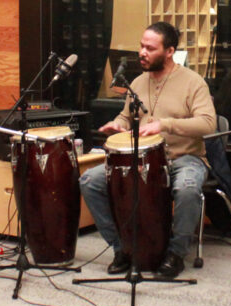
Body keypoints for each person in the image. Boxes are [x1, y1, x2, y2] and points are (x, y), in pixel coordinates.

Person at [80, 21, 217, 278]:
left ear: (169, 52)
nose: (142, 52)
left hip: (184, 158)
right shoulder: (138, 82)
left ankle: (175, 254)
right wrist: (117, 124)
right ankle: (122, 249)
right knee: (90, 181)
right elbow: (126, 116)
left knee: (187, 189)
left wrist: (165, 125)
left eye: (150, 48)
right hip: (140, 159)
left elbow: (208, 124)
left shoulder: (193, 83)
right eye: (141, 46)